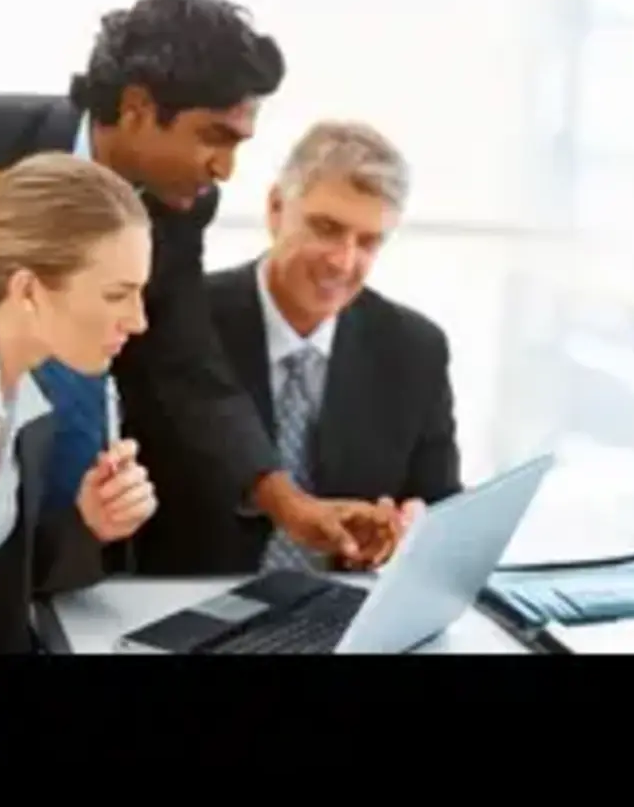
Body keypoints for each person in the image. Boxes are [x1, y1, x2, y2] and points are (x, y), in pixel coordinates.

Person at [0, 0, 399, 578]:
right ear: (137, 108)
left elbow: (182, 362)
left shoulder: (180, 203)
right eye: (214, 136)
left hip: (73, 536)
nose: (225, 169)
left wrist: (289, 504)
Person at [147, 120, 463, 574]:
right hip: (189, 594)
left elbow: (438, 501)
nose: (343, 261)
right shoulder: (182, 320)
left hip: (343, 600)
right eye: (326, 228)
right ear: (276, 208)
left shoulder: (415, 349)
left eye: (368, 241)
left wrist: (412, 526)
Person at [0, 154, 157, 653]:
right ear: (28, 290)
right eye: (117, 295)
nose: (138, 320)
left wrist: (88, 524)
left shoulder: (27, 399)